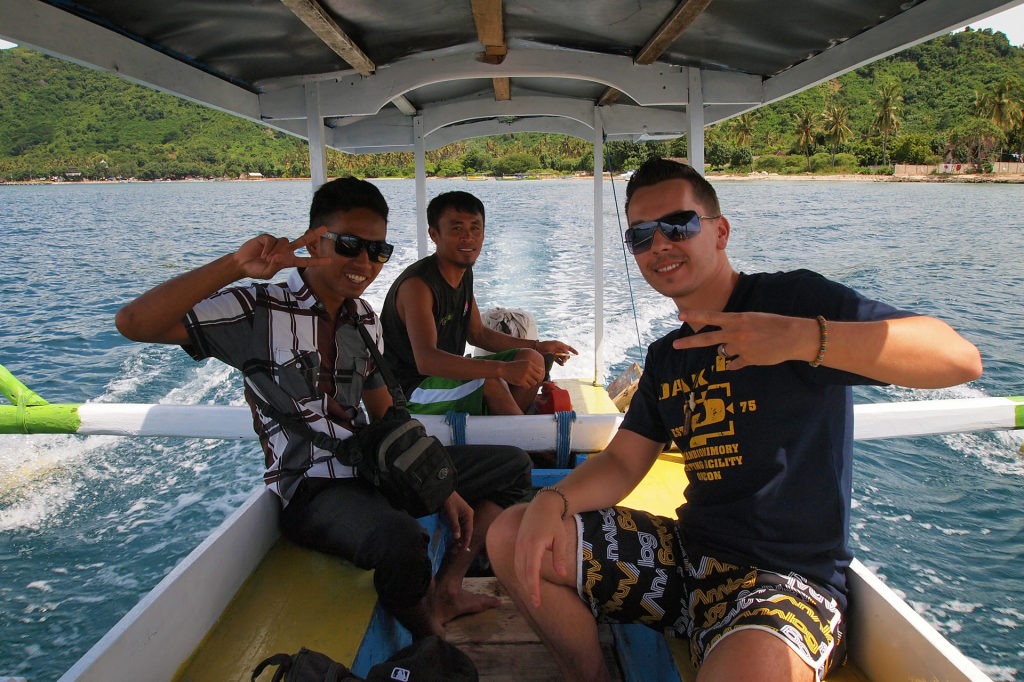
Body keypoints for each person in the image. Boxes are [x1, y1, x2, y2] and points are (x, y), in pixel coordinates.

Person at [486, 158, 983, 681]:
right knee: (510, 532)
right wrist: (552, 500)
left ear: (719, 232)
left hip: (785, 583)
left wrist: (801, 339)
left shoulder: (792, 302)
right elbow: (624, 462)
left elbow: (957, 357)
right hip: (685, 562)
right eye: (641, 236)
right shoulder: (667, 354)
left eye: (678, 225)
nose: (659, 244)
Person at [114, 176, 531, 638]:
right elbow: (134, 322)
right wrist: (238, 264)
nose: (365, 263)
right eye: (350, 245)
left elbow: (388, 413)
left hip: (373, 467)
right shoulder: (260, 310)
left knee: (512, 467)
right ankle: (428, 637)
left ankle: (449, 588)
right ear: (315, 240)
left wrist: (439, 481)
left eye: (378, 251)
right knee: (401, 542)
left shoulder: (362, 317)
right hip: (313, 489)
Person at [380, 190, 578, 415]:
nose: (468, 237)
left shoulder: (462, 274)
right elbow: (427, 360)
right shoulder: (418, 286)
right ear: (434, 234)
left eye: (475, 228)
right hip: (410, 391)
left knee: (531, 360)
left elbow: (478, 334)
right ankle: (527, 443)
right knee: (491, 381)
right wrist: (503, 369)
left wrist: (538, 346)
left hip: (444, 380)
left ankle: (510, 431)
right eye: (457, 229)